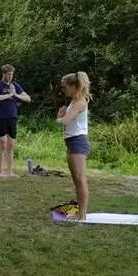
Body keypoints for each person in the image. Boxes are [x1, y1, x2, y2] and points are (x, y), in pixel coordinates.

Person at [57, 72, 92, 220]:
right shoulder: (74, 102)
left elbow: (64, 121)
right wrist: (62, 117)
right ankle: (79, 212)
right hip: (72, 142)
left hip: (78, 142)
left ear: (73, 86)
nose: (62, 89)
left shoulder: (79, 102)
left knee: (80, 180)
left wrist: (59, 117)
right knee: (77, 181)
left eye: (64, 86)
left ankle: (82, 215)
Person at [0, 64, 31, 177]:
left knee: (11, 144)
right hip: (0, 117)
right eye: (8, 74)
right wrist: (9, 95)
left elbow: (28, 98)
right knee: (3, 143)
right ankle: (0, 171)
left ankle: (9, 171)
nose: (10, 77)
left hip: (12, 117)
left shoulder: (15, 85)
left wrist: (16, 95)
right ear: (3, 74)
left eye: (12, 74)